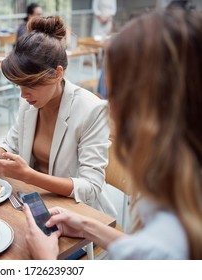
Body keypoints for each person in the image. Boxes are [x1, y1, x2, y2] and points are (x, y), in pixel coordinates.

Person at [23, 9, 202, 260]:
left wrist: (48, 263)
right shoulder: (182, 199)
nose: (110, 109)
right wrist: (86, 225)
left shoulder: (166, 247)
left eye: (116, 94)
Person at [0, 16, 117, 218]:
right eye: (19, 85)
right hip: (33, 202)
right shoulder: (29, 102)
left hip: (79, 215)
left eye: (30, 85)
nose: (22, 94)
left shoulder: (92, 110)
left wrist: (28, 175)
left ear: (57, 74)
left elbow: (90, 188)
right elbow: (12, 143)